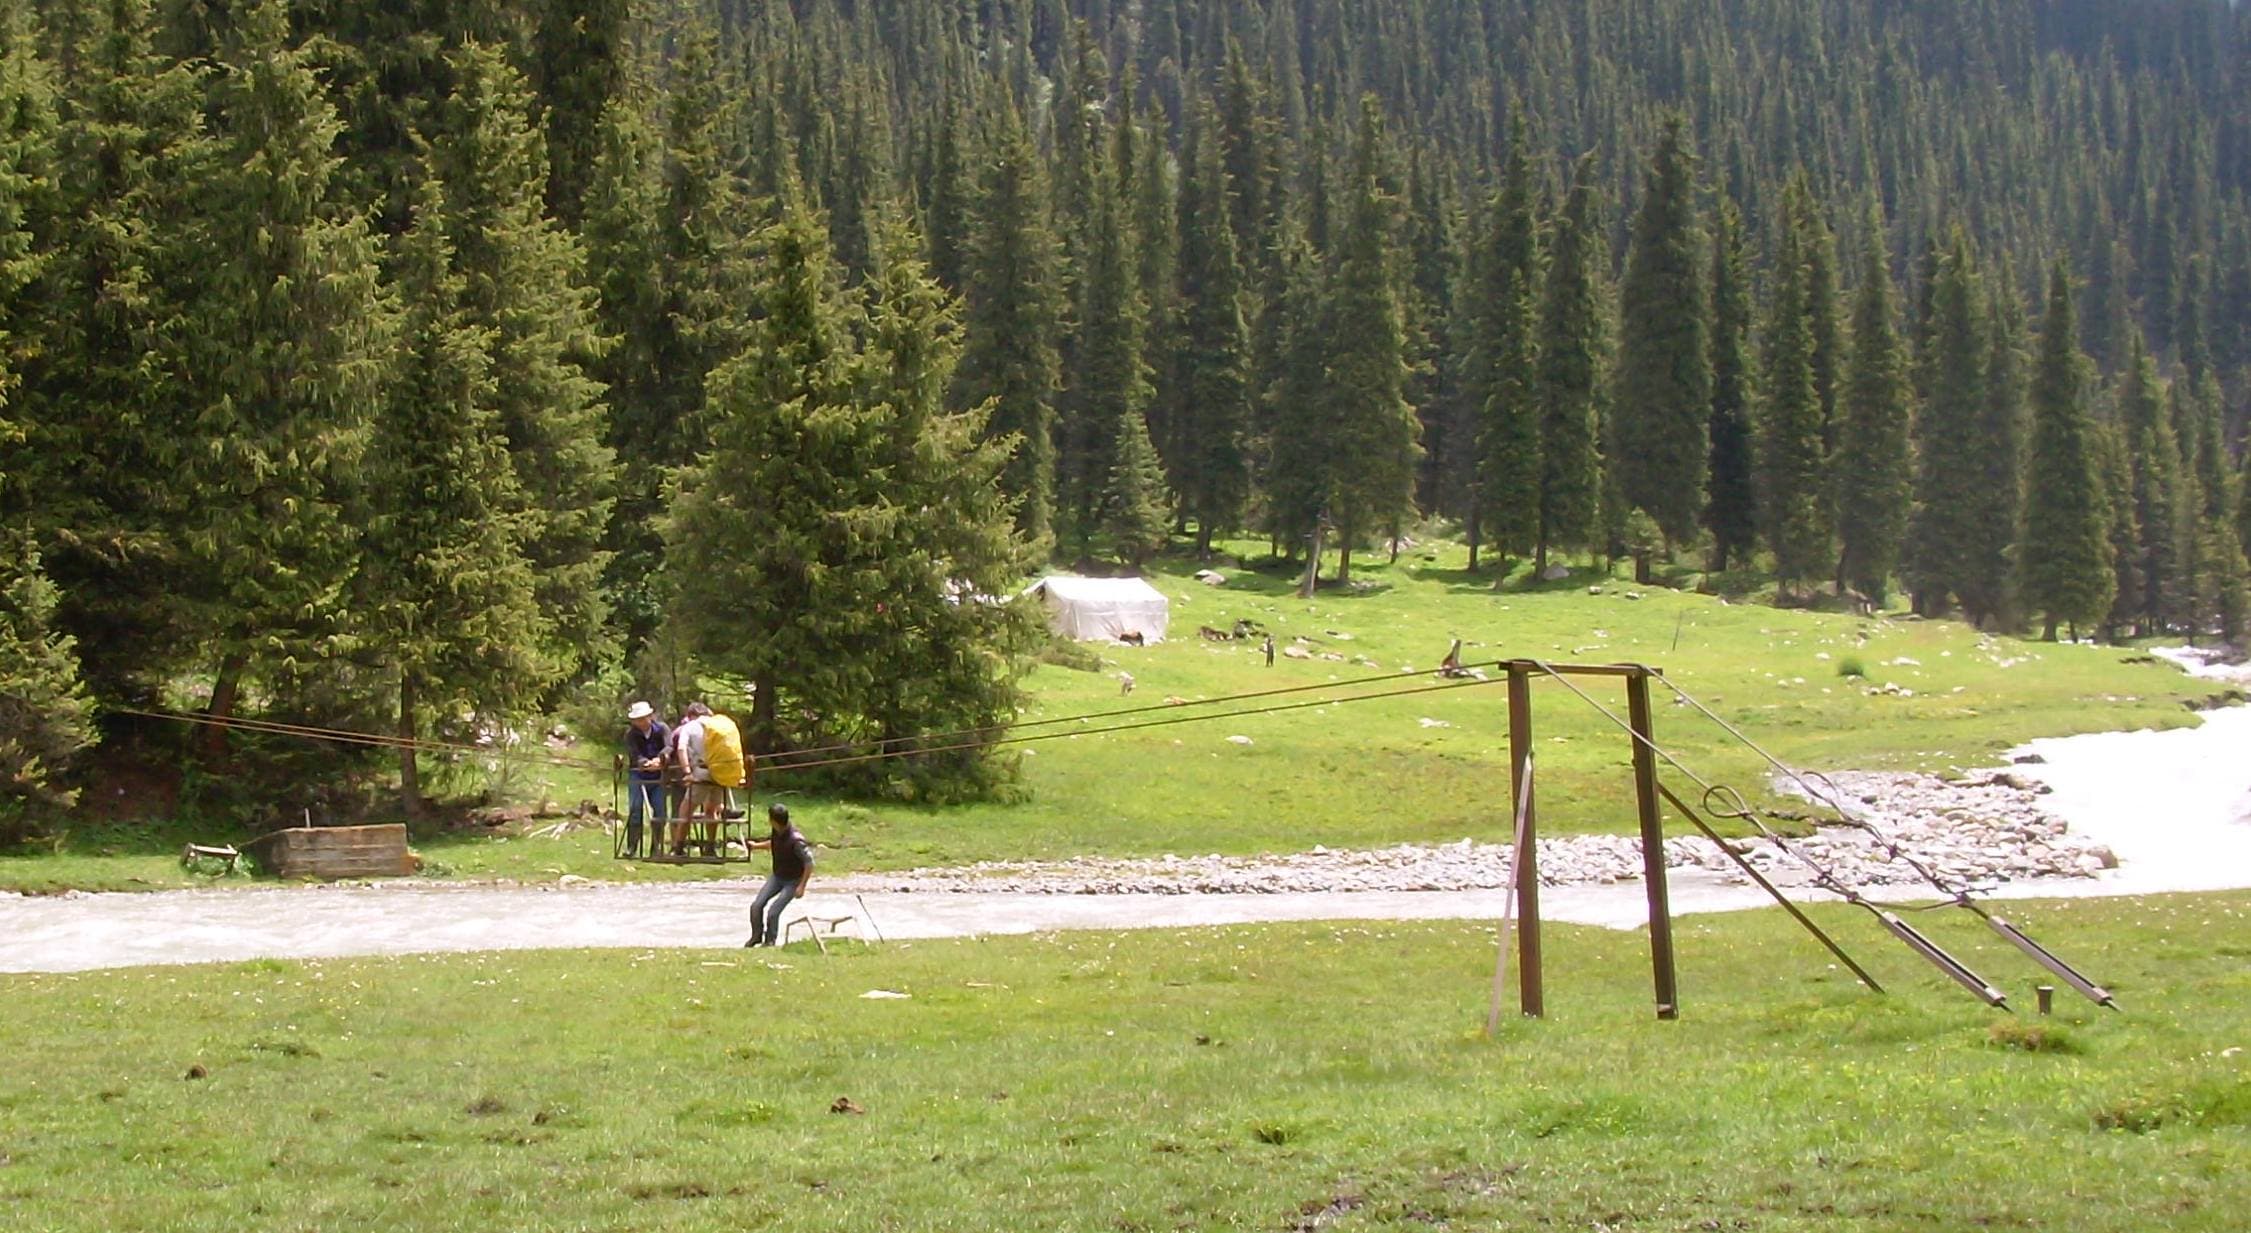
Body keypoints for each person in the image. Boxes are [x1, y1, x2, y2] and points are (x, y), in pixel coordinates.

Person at [745, 803, 814, 947]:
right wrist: (756, 846)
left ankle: (770, 941)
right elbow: (774, 843)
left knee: (773, 912)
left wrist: (802, 886)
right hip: (777, 876)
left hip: (793, 881)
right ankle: (756, 936)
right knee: (756, 906)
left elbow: (809, 863)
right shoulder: (777, 831)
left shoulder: (796, 840)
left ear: (773, 820)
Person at [622, 702, 670, 858]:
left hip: (658, 776)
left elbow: (669, 746)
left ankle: (657, 847)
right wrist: (644, 763)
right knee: (635, 809)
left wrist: (659, 760)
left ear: (650, 716)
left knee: (660, 811)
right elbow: (633, 753)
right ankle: (632, 847)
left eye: (643, 718)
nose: (640, 722)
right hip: (638, 774)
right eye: (637, 720)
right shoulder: (630, 734)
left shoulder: (662, 729)